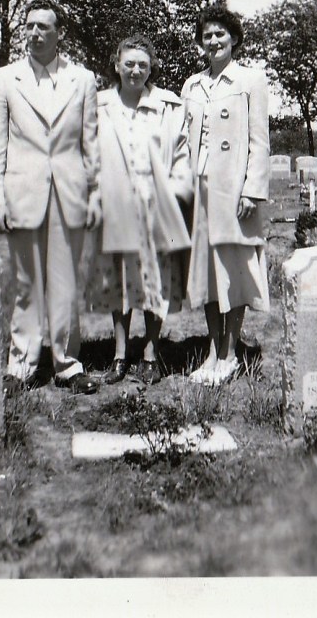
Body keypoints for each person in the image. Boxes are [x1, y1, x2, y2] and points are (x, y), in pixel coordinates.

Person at [0, 0, 102, 395]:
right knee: (27, 284)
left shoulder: (82, 79)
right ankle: (21, 366)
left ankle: (67, 363)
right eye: (29, 26)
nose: (35, 33)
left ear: (59, 34)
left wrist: (95, 194)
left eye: (43, 27)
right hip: (22, 193)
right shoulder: (4, 79)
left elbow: (91, 144)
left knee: (67, 285)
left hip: (70, 194)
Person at [86, 35, 193, 385]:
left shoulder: (168, 107)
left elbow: (181, 155)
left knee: (156, 278)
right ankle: (119, 354)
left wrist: (175, 193)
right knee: (117, 278)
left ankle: (150, 352)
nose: (135, 70)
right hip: (114, 200)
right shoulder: (98, 105)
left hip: (154, 201)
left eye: (142, 65)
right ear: (116, 65)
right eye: (129, 63)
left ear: (151, 69)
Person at [181, 2, 270, 386]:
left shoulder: (250, 80)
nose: (213, 40)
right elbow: (184, 141)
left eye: (220, 34)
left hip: (234, 193)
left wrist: (252, 190)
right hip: (200, 191)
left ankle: (229, 355)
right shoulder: (192, 85)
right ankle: (212, 351)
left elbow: (259, 142)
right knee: (208, 274)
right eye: (206, 36)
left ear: (234, 39)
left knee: (233, 273)